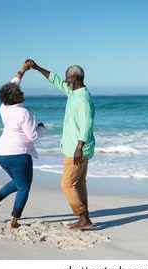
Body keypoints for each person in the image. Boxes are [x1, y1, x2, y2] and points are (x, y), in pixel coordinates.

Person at [26, 59, 95, 230]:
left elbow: (87, 123)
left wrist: (79, 146)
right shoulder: (73, 93)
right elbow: (55, 79)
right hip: (75, 148)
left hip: (77, 150)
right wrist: (37, 68)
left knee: (66, 184)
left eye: (67, 79)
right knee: (78, 184)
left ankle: (83, 217)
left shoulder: (83, 98)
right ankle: (84, 217)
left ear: (75, 79)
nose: (65, 81)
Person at [0, 61, 45, 229]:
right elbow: (32, 136)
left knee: (20, 183)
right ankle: (14, 221)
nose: (22, 92)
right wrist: (41, 128)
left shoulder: (4, 107)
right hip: (19, 155)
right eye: (19, 92)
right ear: (14, 97)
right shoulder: (23, 113)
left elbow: (12, 85)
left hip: (2, 154)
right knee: (24, 186)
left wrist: (22, 71)